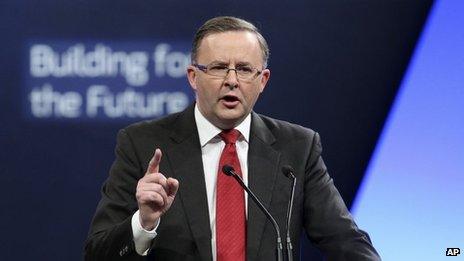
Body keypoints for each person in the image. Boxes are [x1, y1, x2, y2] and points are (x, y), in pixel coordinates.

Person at [84, 16, 380, 261]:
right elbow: (97, 253)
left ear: (262, 80)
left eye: (244, 69)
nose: (231, 80)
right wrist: (144, 223)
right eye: (217, 67)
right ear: (192, 76)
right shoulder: (143, 144)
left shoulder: (297, 148)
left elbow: (345, 241)